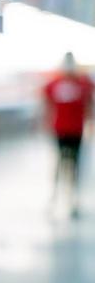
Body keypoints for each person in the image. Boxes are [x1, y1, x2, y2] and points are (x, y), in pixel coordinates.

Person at [43, 52, 94, 216]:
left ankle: (73, 199)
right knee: (59, 163)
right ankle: (55, 197)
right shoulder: (54, 84)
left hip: (76, 130)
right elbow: (47, 106)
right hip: (60, 130)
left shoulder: (83, 83)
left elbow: (89, 105)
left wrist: (90, 122)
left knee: (75, 164)